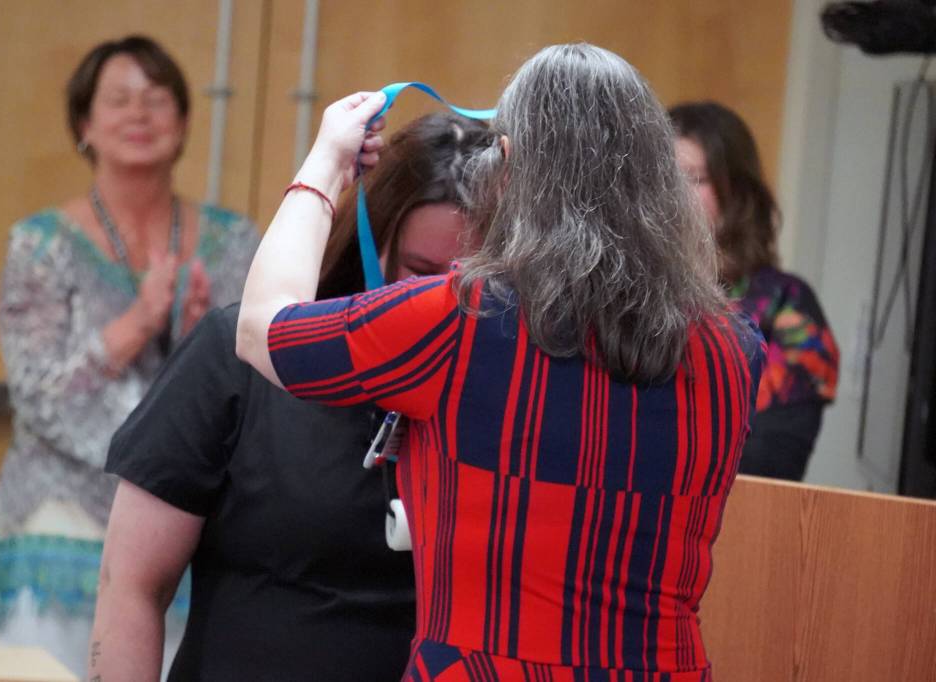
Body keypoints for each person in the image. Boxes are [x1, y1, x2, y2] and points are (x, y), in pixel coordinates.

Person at [236, 44, 765, 680]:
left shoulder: (459, 319)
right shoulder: (736, 351)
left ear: (511, 167)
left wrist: (326, 164)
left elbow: (262, 329)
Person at [89, 112, 495, 682]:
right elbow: (130, 585)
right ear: (372, 252)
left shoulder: (522, 387)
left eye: (467, 283)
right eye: (417, 273)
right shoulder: (242, 359)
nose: (436, 304)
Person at [0, 35, 259, 679]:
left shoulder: (237, 240)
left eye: (157, 101)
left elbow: (248, 387)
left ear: (184, 124)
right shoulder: (39, 244)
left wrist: (196, 344)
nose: (139, 115)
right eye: (119, 100)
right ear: (83, 125)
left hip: (182, 529)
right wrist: (137, 324)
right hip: (60, 525)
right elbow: (39, 393)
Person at [670, 101, 840, 481]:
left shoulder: (788, 305)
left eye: (694, 178)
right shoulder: (625, 291)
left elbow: (771, 464)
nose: (673, 196)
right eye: (664, 178)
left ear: (737, 194)